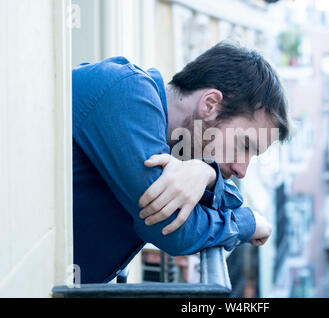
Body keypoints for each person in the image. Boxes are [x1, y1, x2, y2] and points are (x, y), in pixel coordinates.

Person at [72, 41, 290, 283]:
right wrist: (247, 223)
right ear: (210, 105)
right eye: (245, 145)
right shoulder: (126, 94)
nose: (241, 170)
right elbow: (172, 229)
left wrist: (209, 173)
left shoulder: (173, 148)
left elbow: (231, 200)